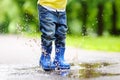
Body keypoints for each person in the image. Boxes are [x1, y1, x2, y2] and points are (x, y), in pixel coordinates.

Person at [38, 0, 70, 71]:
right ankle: (45, 56)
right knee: (48, 33)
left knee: (61, 34)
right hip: (46, 7)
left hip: (61, 9)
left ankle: (59, 58)